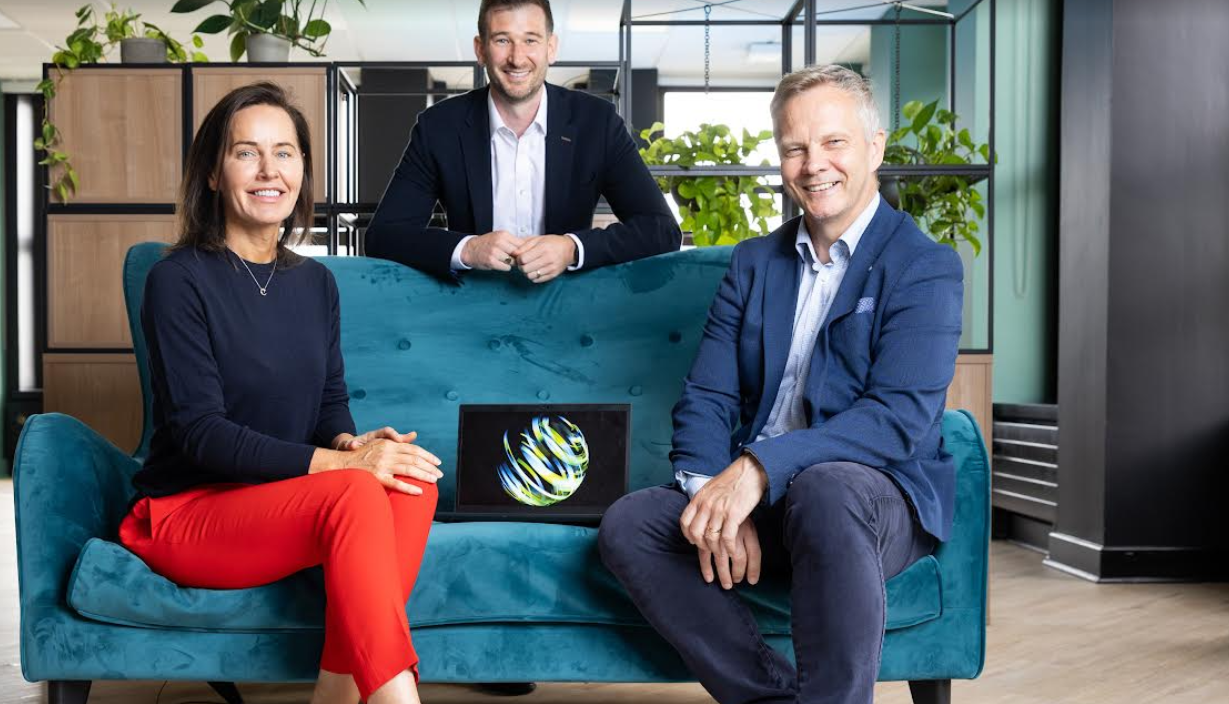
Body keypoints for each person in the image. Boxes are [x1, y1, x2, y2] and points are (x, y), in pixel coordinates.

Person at [597, 65, 966, 704]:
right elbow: (708, 397)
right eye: (795, 148)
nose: (813, 164)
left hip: (874, 500)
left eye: (833, 142)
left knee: (826, 488)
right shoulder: (753, 262)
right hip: (764, 498)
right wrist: (715, 501)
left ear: (874, 147)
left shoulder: (923, 265)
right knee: (632, 523)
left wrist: (759, 470)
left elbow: (897, 418)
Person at [120, 82, 443, 704]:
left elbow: (327, 404)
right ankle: (392, 693)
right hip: (187, 513)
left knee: (411, 482)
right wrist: (346, 467)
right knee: (356, 489)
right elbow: (201, 434)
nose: (269, 170)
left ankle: (337, 689)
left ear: (302, 170)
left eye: (285, 152)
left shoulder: (315, 282)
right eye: (247, 153)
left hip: (281, 500)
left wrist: (350, 442)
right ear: (213, 174)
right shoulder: (176, 279)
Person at [364, 0, 681, 283]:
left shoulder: (598, 123)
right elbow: (384, 236)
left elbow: (661, 230)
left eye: (530, 40)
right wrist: (468, 249)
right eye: (502, 40)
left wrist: (572, 248)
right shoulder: (439, 127)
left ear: (551, 48)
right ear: (480, 49)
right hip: (473, 305)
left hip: (567, 305)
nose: (517, 58)